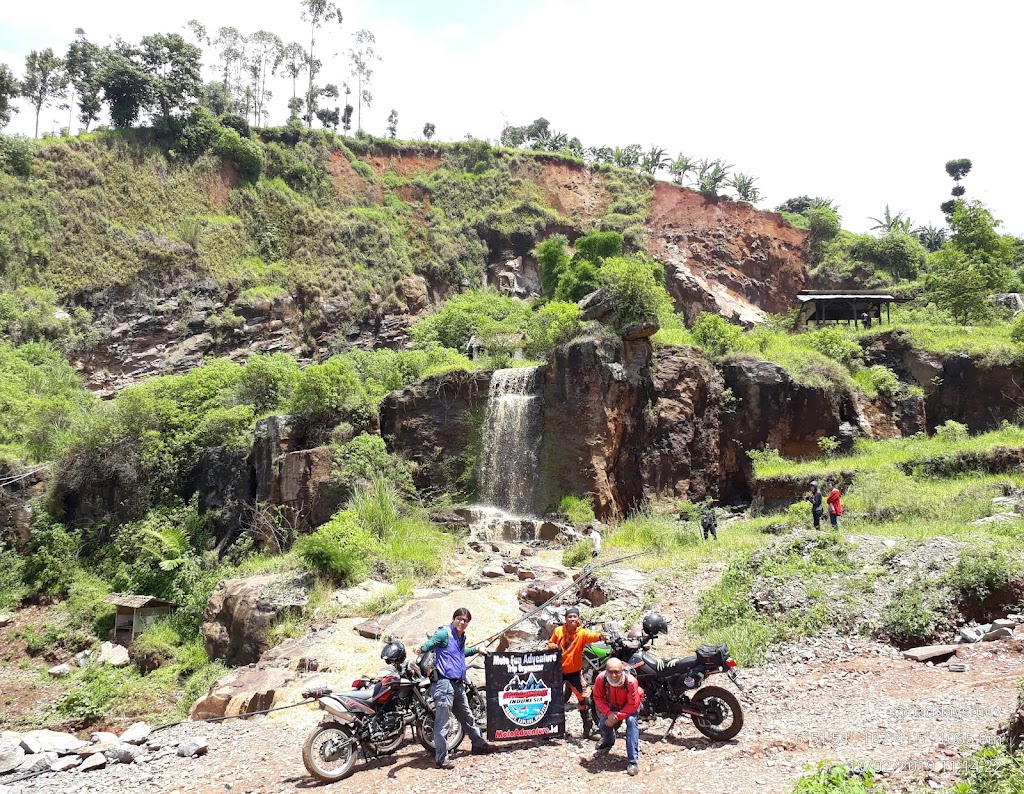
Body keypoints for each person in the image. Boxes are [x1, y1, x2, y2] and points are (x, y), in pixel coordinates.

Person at [416, 608, 492, 769]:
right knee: (443, 723)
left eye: (465, 620)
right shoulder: (444, 633)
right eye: (459, 619)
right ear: (454, 619)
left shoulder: (460, 636)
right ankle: (441, 759)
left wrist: (477, 649)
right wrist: (421, 648)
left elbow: (461, 653)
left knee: (467, 716)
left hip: (457, 684)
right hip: (444, 684)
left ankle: (478, 744)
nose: (462, 622)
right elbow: (431, 643)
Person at [547, 606, 603, 737]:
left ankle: (587, 730)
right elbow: (549, 643)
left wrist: (601, 637)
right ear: (565, 619)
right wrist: (552, 646)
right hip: (558, 671)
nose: (572, 619)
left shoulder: (582, 633)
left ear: (578, 618)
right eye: (569, 616)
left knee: (584, 699)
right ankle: (550, 729)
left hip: (574, 672)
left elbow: (592, 636)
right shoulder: (558, 631)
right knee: (552, 699)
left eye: (574, 616)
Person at [593, 657, 643, 776]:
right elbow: (597, 697)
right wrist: (609, 714)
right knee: (603, 724)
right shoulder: (601, 679)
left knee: (631, 723)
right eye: (610, 672)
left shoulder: (631, 682)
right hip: (613, 705)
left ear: (622, 670)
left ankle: (632, 761)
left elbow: (633, 704)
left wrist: (617, 717)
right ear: (606, 671)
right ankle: (608, 741)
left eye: (617, 672)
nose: (614, 675)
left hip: (630, 706)